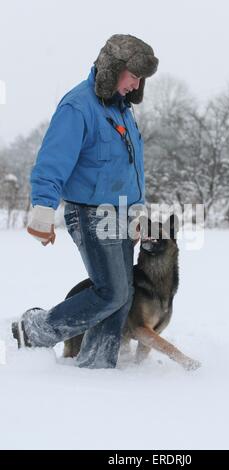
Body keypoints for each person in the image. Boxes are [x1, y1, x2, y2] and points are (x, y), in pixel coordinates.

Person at [11, 34, 159, 369]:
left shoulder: (124, 113)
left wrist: (138, 211)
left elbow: (132, 170)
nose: (136, 84)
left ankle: (98, 364)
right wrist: (43, 210)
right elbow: (53, 161)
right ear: (112, 69)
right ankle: (34, 331)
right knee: (112, 292)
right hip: (90, 213)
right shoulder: (78, 106)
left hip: (120, 214)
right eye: (132, 75)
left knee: (122, 296)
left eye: (140, 79)